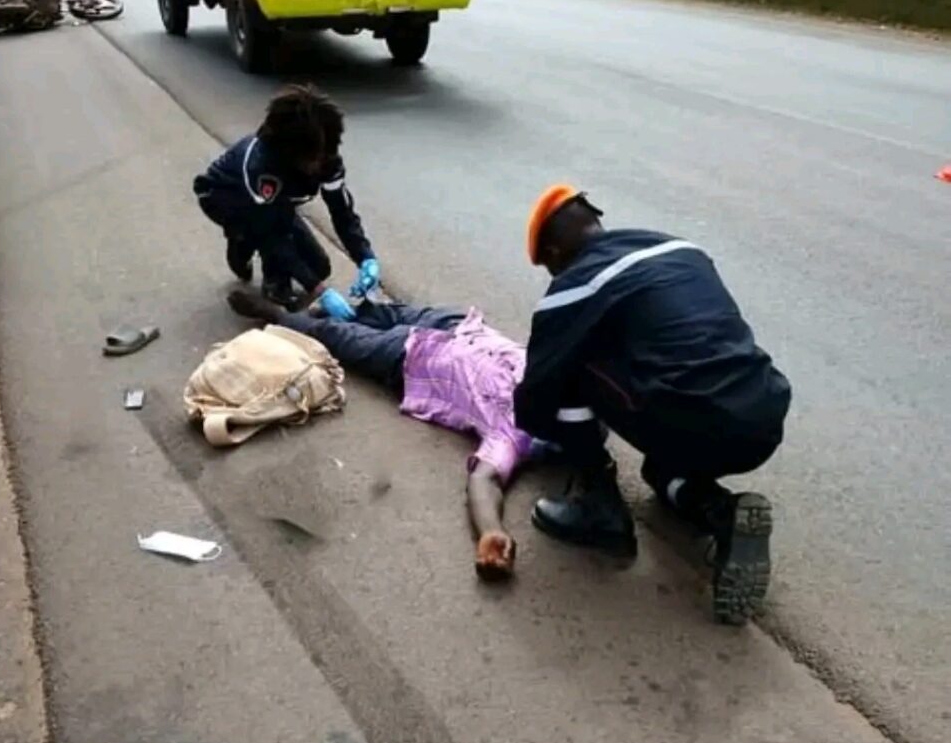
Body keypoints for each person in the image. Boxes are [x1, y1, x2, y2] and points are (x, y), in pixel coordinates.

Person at [515, 185, 792, 625]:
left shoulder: (576, 284)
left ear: (553, 249)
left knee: (566, 371)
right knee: (660, 472)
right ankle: (724, 514)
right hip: (761, 414)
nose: (552, 274)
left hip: (693, 419)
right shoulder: (675, 245)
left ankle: (600, 507)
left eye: (548, 265)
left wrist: (574, 439)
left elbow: (533, 402)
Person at [227, 290, 594, 581]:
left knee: (336, 336)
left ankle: (277, 316)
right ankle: (334, 308)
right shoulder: (557, 369)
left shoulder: (520, 429)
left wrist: (490, 531)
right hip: (457, 327)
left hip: (409, 361)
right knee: (377, 311)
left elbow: (485, 478)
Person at [194, 84, 380, 321]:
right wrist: (319, 290)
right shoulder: (263, 168)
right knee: (269, 237)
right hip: (226, 199)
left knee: (319, 268)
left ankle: (258, 249)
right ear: (290, 154)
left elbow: (342, 212)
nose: (321, 165)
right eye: (314, 160)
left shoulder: (326, 157)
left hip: (277, 206)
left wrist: (365, 257)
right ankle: (243, 246)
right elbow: (272, 236)